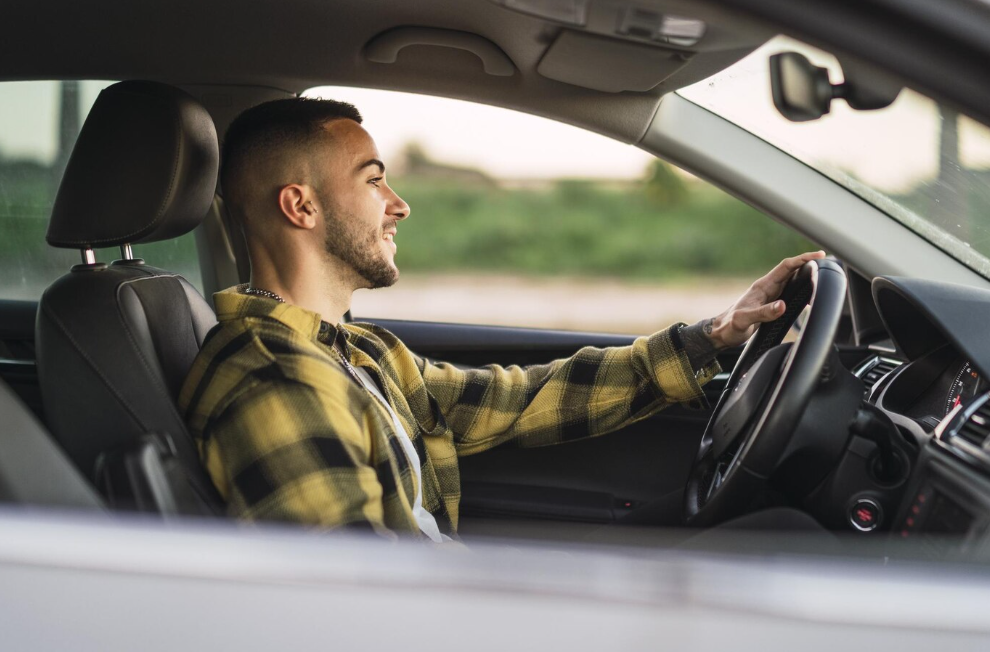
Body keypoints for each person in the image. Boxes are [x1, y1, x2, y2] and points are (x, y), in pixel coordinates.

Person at [178, 97, 826, 542]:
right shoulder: (276, 379)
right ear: (301, 206)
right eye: (374, 181)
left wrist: (712, 336)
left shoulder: (358, 350)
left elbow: (516, 400)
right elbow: (353, 603)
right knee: (782, 539)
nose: (399, 205)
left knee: (773, 535)